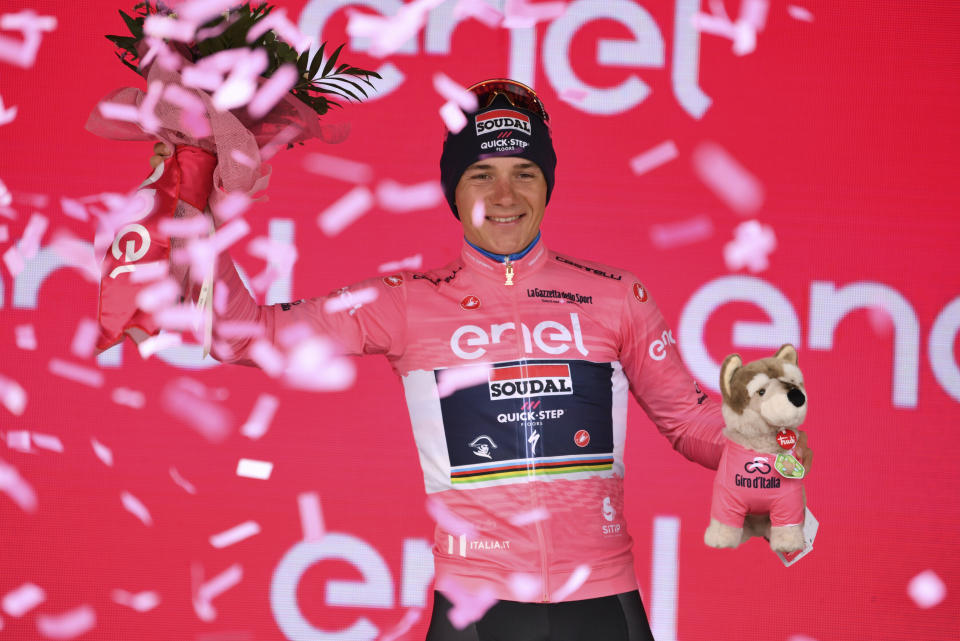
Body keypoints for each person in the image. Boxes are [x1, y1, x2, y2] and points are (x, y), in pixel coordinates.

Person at [151, 79, 810, 641]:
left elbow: (688, 420)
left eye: (524, 172)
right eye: (481, 175)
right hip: (475, 608)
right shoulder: (405, 302)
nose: (504, 196)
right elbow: (242, 333)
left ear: (547, 184)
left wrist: (757, 445)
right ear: (452, 190)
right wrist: (194, 202)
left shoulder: (616, 296)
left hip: (605, 607)